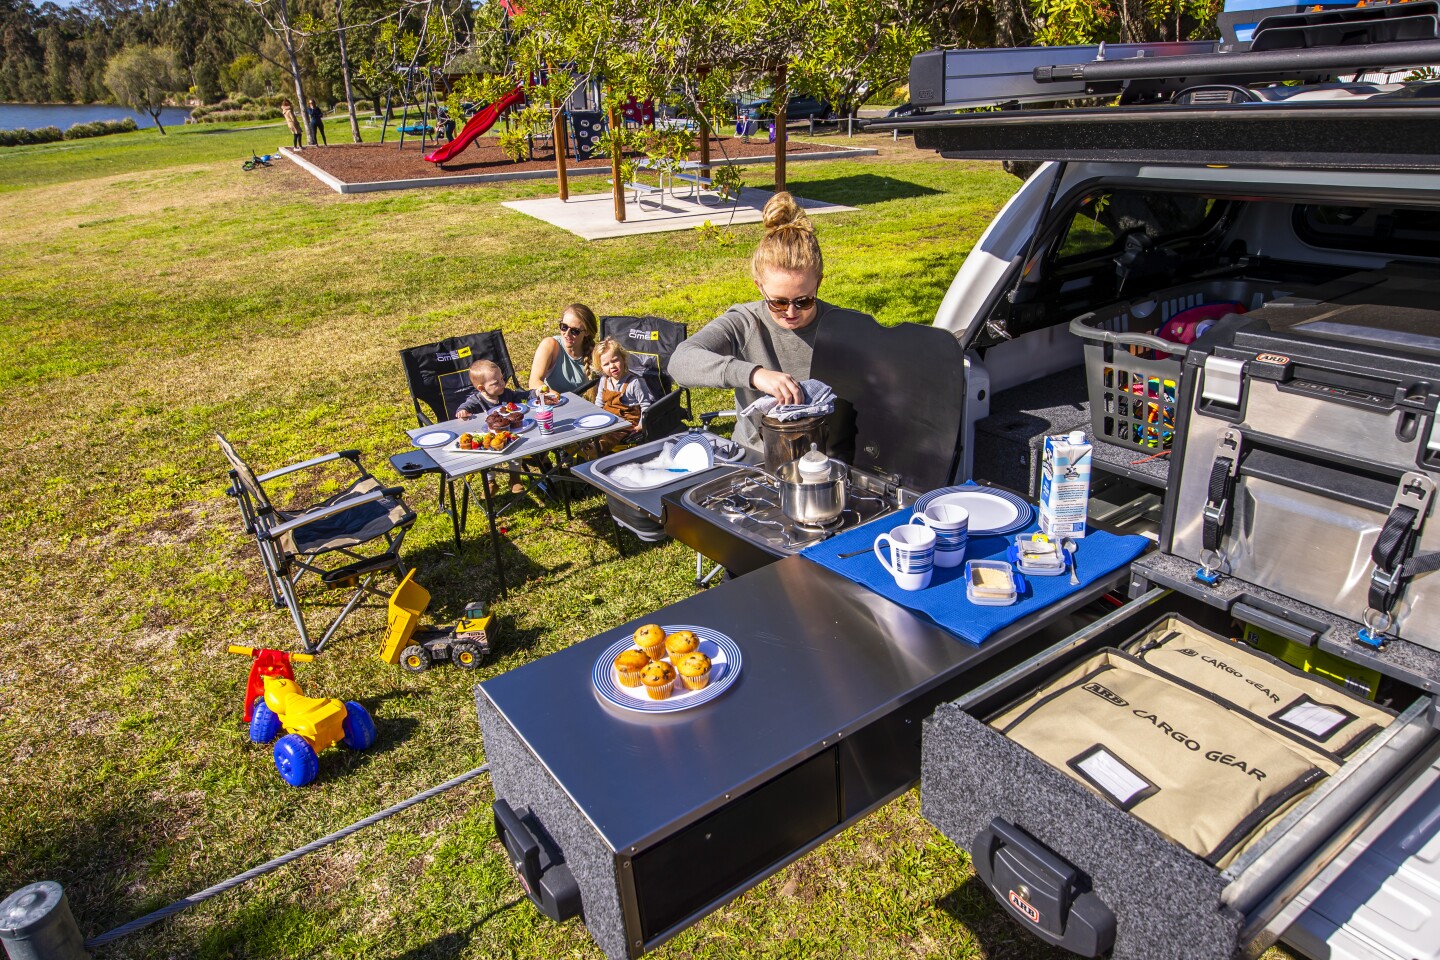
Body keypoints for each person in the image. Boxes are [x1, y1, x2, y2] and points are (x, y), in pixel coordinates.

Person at [670, 191, 874, 454]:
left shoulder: (845, 325)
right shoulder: (745, 322)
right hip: (757, 455)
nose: (790, 312)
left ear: (819, 283)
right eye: (777, 302)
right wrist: (754, 375)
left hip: (826, 458)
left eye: (803, 301)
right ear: (760, 287)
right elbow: (681, 361)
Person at [593, 338, 658, 450]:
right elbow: (598, 403)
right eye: (606, 364)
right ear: (601, 368)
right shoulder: (604, 381)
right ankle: (586, 446)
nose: (612, 366)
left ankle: (598, 449)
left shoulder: (634, 382)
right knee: (592, 432)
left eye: (615, 360)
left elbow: (645, 406)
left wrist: (641, 425)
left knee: (613, 436)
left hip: (627, 422)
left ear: (623, 359)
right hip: (609, 419)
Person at [529, 303, 597, 396]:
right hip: (551, 405)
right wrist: (556, 397)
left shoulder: (594, 353)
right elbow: (534, 383)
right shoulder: (550, 345)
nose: (567, 334)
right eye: (564, 327)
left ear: (587, 332)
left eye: (575, 331)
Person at [455, 359, 528, 420]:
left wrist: (536, 392)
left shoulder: (507, 393)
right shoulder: (476, 401)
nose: (502, 384)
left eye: (502, 379)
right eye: (496, 383)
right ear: (482, 388)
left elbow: (522, 396)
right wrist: (463, 411)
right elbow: (466, 406)